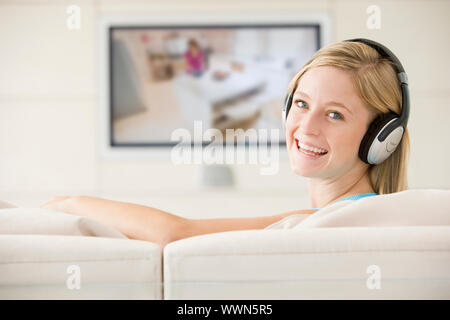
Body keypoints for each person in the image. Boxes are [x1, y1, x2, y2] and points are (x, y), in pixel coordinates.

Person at [40, 39, 410, 247]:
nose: (305, 127)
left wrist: (70, 203)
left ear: (383, 137)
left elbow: (176, 236)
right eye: (301, 104)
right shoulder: (363, 216)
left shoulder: (334, 223)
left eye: (335, 114)